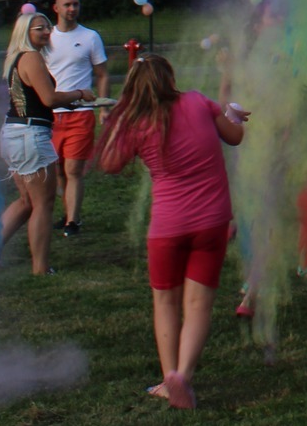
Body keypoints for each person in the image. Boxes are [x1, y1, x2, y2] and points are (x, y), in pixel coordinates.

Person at [98, 54, 248, 408]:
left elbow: (109, 164)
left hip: (167, 228)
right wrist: (235, 114)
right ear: (170, 77)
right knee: (198, 306)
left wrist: (119, 120)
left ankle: (169, 378)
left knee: (165, 302)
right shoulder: (198, 101)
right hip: (212, 221)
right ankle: (183, 375)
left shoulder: (138, 122)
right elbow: (236, 136)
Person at [0, 9, 92, 274]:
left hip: (14, 132)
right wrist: (80, 93)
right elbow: (49, 98)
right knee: (43, 203)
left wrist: (69, 101)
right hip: (30, 135)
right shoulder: (31, 57)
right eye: (40, 28)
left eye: (48, 27)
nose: (47, 32)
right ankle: (40, 267)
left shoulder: (15, 58)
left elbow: (38, 99)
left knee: (26, 201)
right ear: (25, 32)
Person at [43, 0, 108, 238]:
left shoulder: (90, 37)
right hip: (51, 114)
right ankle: (66, 213)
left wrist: (103, 107)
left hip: (80, 113)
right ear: (56, 8)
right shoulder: (46, 39)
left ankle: (74, 221)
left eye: (76, 4)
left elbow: (101, 74)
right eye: (67, 4)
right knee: (58, 170)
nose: (72, 8)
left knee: (73, 170)